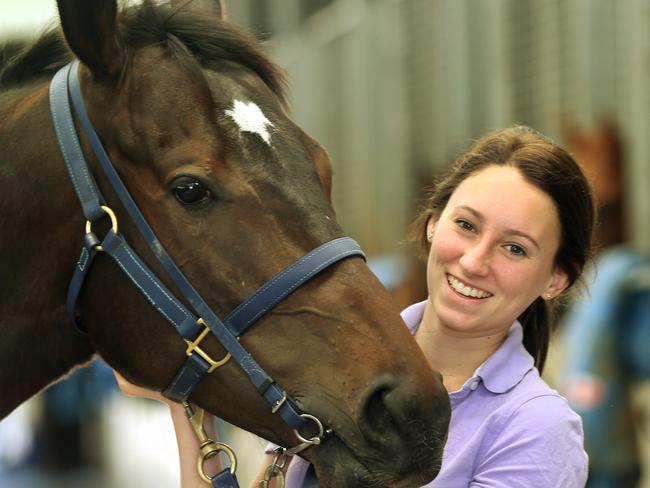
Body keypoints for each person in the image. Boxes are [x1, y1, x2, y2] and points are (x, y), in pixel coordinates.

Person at [118, 125, 594, 487]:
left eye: (515, 248)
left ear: (556, 278)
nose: (474, 261)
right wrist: (188, 404)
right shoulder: (338, 363)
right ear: (432, 224)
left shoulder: (538, 428)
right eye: (466, 225)